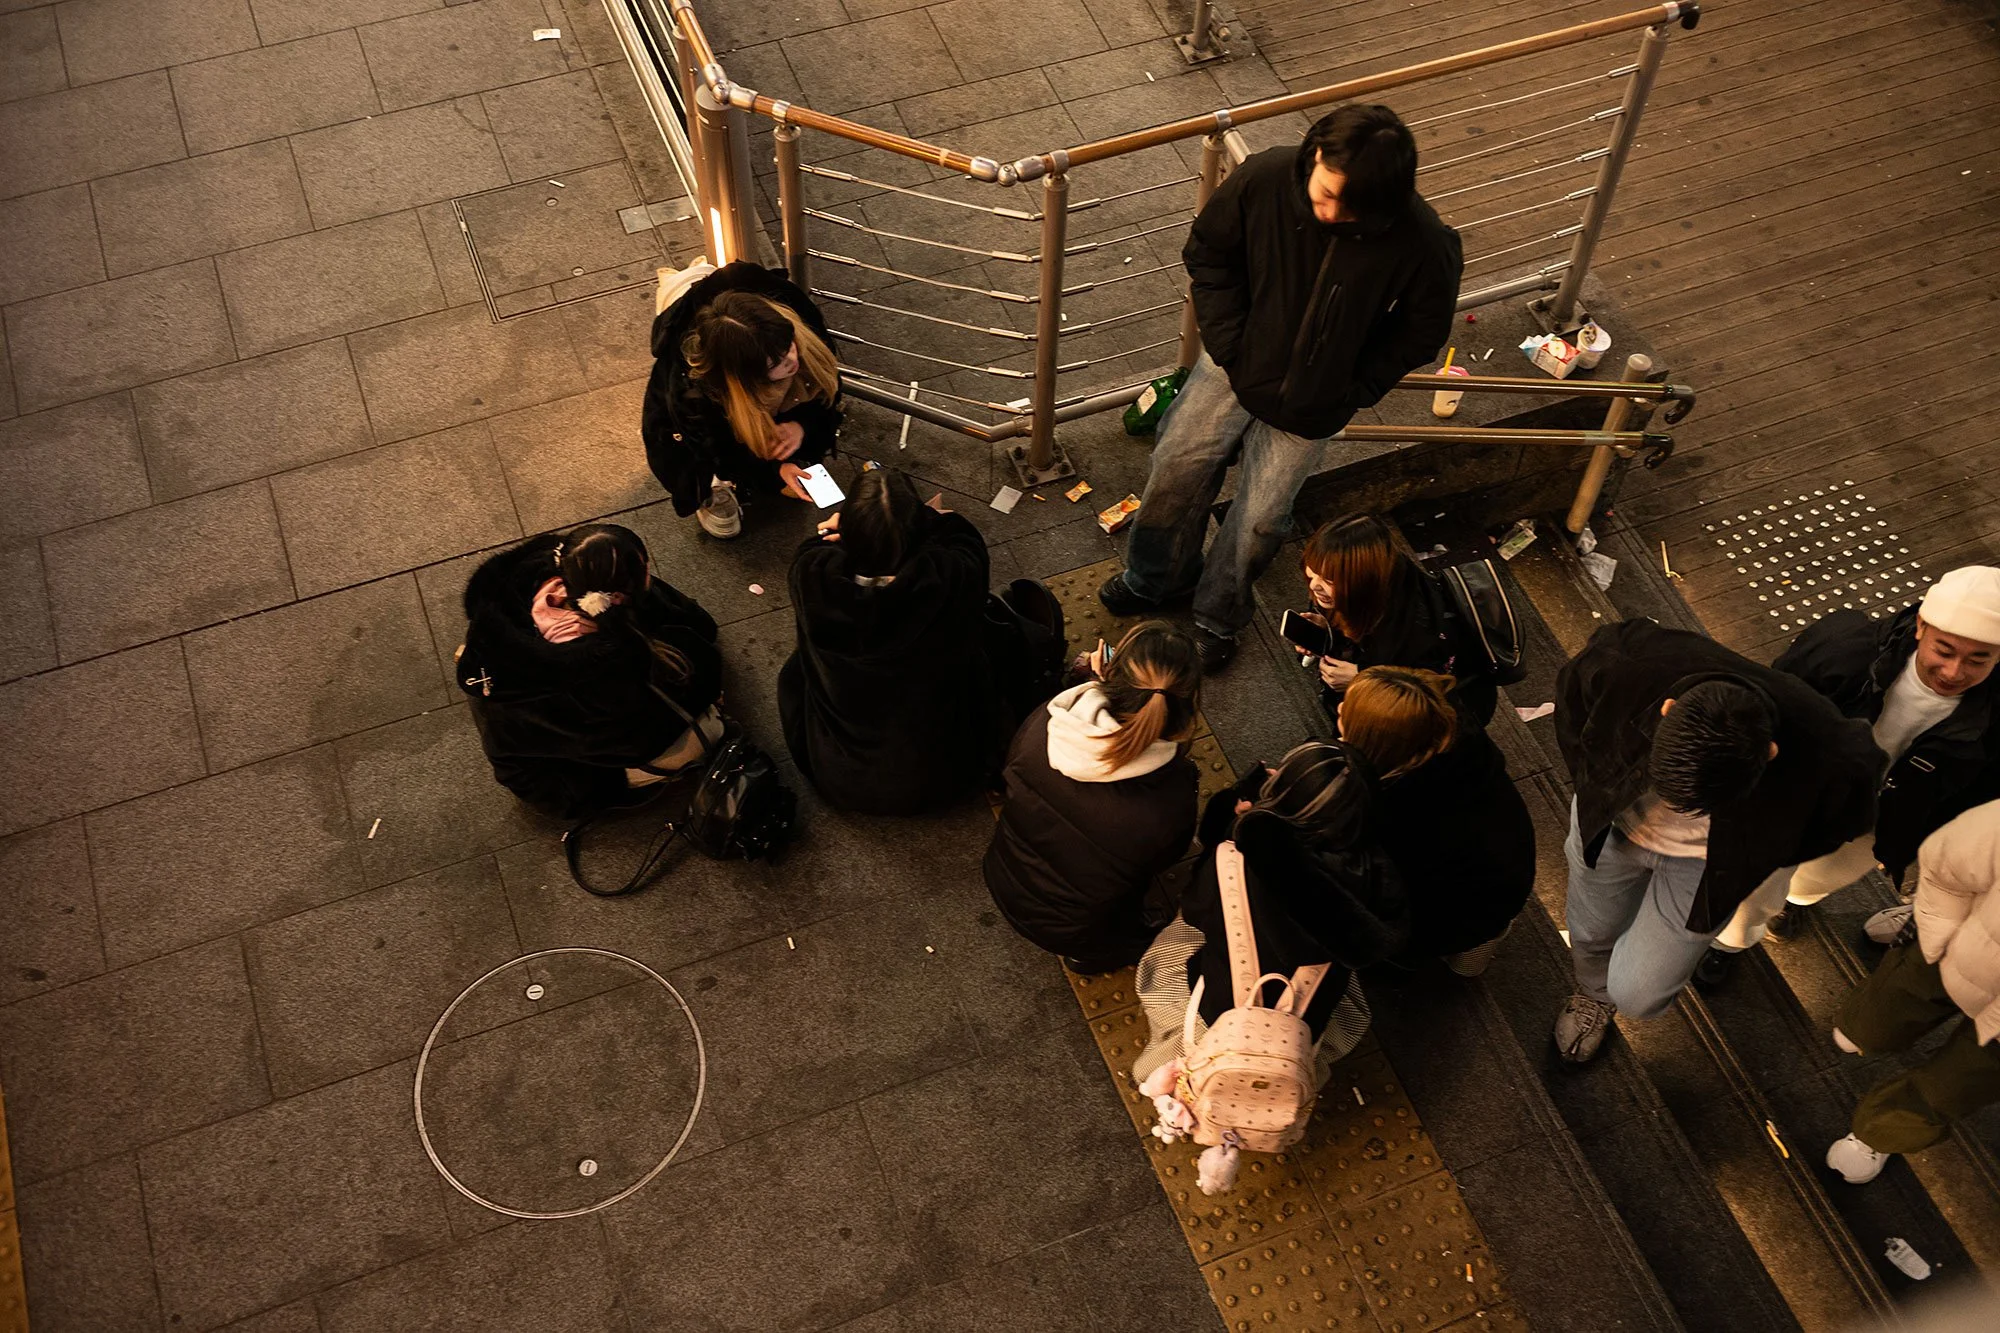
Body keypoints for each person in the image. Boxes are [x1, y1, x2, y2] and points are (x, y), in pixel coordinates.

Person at [1096, 103, 1463, 670]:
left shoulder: (1426, 241)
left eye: (1350, 206)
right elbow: (1209, 254)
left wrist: (1354, 386)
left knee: (1263, 518)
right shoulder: (1266, 176)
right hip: (1233, 366)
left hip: (1317, 401)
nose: (1331, 212)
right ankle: (1153, 579)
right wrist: (1231, 346)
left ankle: (1218, 615)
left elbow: (1419, 332)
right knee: (1175, 467)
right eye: (1324, 193)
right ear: (1314, 154)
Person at [1550, 619, 1883, 1063]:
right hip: (1612, 823)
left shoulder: (1830, 751)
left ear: (1768, 756)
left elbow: (1845, 814)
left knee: (1639, 993)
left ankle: (1616, 987)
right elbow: (1574, 707)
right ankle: (1592, 995)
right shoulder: (1630, 662)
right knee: (1590, 930)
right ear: (1667, 709)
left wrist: (1766, 852)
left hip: (1710, 864)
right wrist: (1592, 783)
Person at [1705, 566, 2000, 976]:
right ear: (1920, 627)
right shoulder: (1842, 650)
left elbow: (1976, 794)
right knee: (1755, 883)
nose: (1954, 672)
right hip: (1800, 793)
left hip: (1876, 820)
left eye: (1978, 659)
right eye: (1944, 650)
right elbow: (1773, 702)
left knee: (1816, 880)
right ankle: (1729, 943)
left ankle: (1795, 903)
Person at [1132, 741, 1407, 1085]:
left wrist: (1233, 824)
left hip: (1219, 1013)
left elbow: (1197, 912)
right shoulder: (1378, 880)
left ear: (1282, 792)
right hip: (1303, 1023)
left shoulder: (1236, 861)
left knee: (1179, 940)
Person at [779, 468, 1006, 816]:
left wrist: (850, 530)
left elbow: (816, 545)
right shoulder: (953, 574)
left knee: (796, 672)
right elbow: (958, 531)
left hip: (840, 778)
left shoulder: (813, 576)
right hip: (949, 774)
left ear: (848, 532)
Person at [458, 524, 724, 819]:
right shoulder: (607, 679)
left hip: (523, 747)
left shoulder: (545, 576)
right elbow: (700, 649)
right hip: (571, 781)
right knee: (708, 734)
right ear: (618, 598)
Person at [983, 622, 1203, 973]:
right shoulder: (1169, 800)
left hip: (1003, 876)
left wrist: (1097, 685)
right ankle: (1093, 958)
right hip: (1079, 931)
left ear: (1111, 672)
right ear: (1186, 707)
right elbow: (1168, 856)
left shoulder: (1046, 724)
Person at [1826, 799, 2000, 1184]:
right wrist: (1935, 927)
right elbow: (1960, 850)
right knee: (1887, 1007)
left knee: (1950, 1087)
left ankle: (1880, 1132)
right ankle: (1866, 1027)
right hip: (1964, 944)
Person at [1340, 666, 1534, 974]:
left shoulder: (1391, 807)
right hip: (1507, 887)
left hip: (1439, 921)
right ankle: (1469, 963)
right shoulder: (1463, 748)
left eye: (1346, 713)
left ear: (1376, 744)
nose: (1339, 710)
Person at [641, 260, 843, 538]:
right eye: (777, 363)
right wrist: (774, 470)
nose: (793, 360)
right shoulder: (695, 394)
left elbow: (827, 387)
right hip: (694, 424)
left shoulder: (792, 316)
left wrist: (802, 426)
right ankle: (715, 489)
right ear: (744, 377)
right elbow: (718, 449)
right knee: (694, 460)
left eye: (790, 346)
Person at [1292, 513, 1500, 725]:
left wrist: (1362, 678)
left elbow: (1425, 693)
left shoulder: (1418, 632)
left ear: (1363, 580)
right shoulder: (1382, 576)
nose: (1314, 585)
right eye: (1313, 572)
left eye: (1329, 579)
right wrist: (1328, 626)